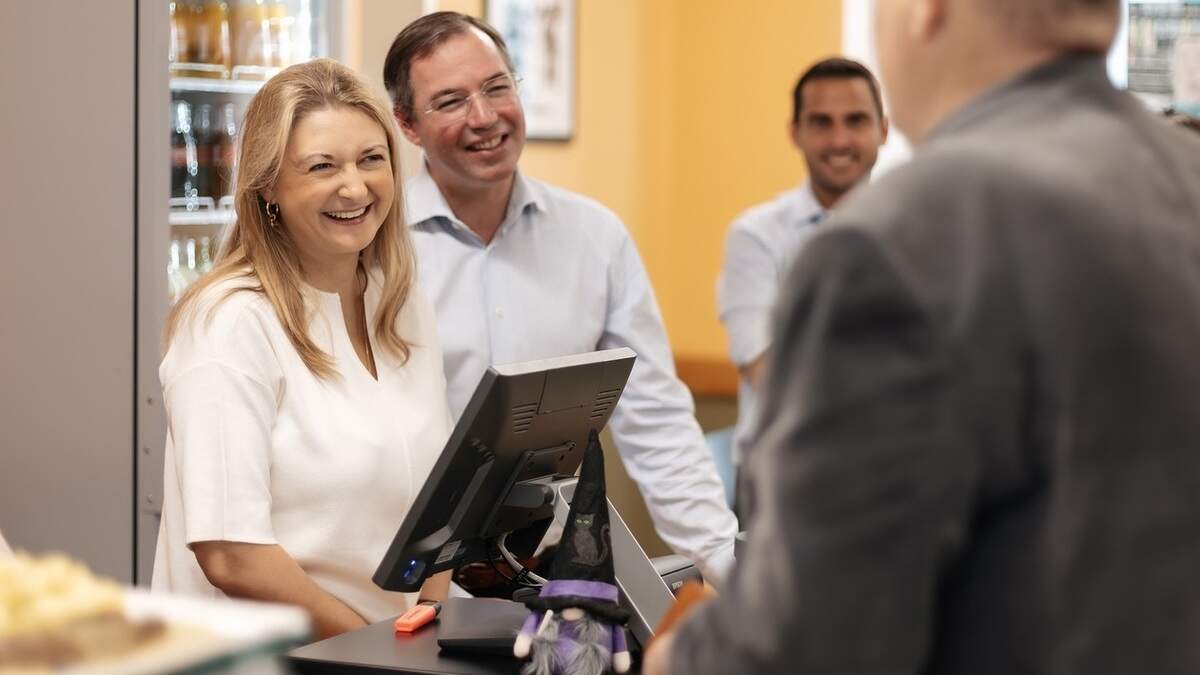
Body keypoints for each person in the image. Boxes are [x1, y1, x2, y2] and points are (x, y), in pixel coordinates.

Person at [647, 0, 1200, 673]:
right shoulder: (1183, 174)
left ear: (924, 11)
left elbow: (810, 642)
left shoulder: (899, 237)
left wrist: (675, 659)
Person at [382, 12, 738, 582]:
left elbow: (657, 420)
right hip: (410, 580)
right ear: (407, 124)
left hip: (554, 572)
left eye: (497, 87)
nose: (484, 117)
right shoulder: (375, 248)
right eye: (450, 102)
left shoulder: (595, 237)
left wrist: (725, 565)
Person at [152, 58, 453, 639]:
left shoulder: (400, 303)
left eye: (372, 159)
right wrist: (372, 648)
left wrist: (425, 622)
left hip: (388, 650)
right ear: (268, 185)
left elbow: (440, 499)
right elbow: (231, 556)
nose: (355, 187)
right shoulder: (231, 323)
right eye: (322, 166)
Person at [717, 57, 887, 482]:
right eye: (821, 122)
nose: (840, 140)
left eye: (856, 120)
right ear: (796, 132)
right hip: (783, 480)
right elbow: (768, 374)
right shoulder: (755, 236)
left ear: (883, 129)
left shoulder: (918, 231)